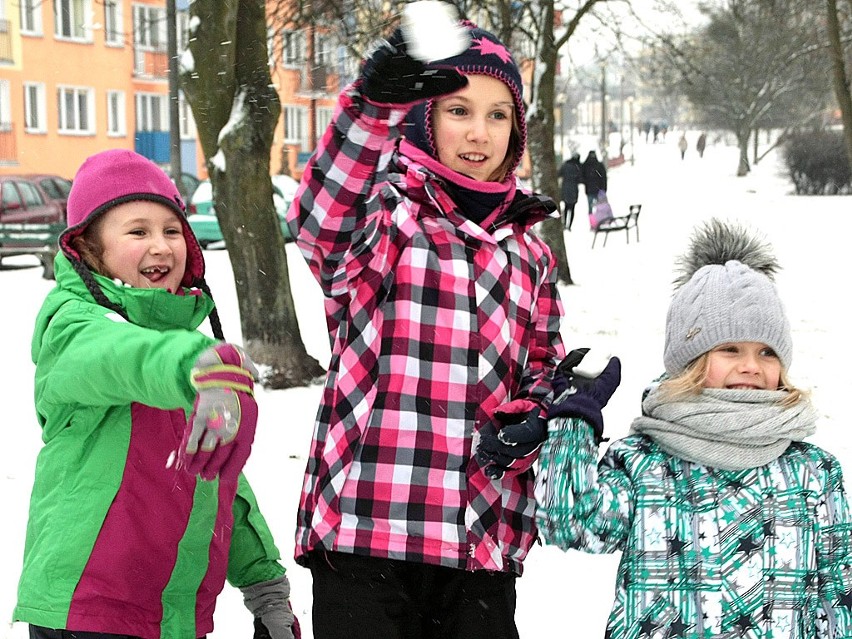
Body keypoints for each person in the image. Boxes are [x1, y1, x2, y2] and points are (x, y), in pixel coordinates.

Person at [286, 15, 565, 639]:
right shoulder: (386, 219)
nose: (479, 132)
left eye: (499, 115)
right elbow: (319, 219)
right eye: (459, 110)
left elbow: (542, 363)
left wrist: (547, 413)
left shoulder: (529, 254)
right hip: (368, 534)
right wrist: (372, 109)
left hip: (480, 542)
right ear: (424, 118)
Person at [14, 149, 299, 639]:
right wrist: (195, 364)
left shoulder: (191, 352)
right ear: (87, 246)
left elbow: (219, 479)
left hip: (170, 615)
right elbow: (122, 355)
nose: (162, 246)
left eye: (172, 231)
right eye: (138, 231)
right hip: (88, 611)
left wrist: (264, 584)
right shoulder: (74, 330)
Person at [536, 218, 852, 639]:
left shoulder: (814, 473)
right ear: (691, 360)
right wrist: (574, 421)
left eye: (767, 352)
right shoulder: (644, 462)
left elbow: (838, 597)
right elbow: (569, 522)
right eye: (730, 349)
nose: (751, 367)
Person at [558, 152, 582, 230]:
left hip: (565, 188)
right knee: (572, 208)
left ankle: (564, 223)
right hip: (574, 189)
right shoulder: (577, 167)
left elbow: (559, 173)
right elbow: (580, 178)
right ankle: (569, 225)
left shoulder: (565, 165)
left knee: (566, 207)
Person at [581, 150, 607, 217]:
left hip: (589, 190)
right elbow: (604, 178)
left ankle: (592, 222)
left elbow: (581, 177)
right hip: (598, 189)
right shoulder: (599, 165)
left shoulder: (585, 166)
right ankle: (599, 220)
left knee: (590, 208)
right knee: (600, 207)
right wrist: (604, 189)